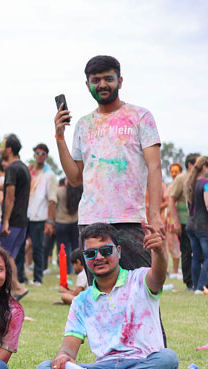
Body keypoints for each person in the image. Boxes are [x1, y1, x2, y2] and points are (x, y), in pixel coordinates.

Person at [36, 222, 178, 369]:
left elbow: (158, 276)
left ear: (118, 251)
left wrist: (159, 251)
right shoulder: (81, 301)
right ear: (85, 257)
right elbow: (68, 349)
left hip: (143, 366)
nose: (99, 257)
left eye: (106, 250)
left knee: (167, 359)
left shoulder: (140, 279)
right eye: (91, 253)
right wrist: (63, 357)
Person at [55, 55, 163, 272]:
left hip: (131, 220)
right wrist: (59, 138)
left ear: (119, 81)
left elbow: (154, 167)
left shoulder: (141, 117)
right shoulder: (84, 125)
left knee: (139, 292)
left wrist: (155, 216)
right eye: (95, 80)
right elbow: (75, 178)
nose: (102, 84)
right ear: (88, 85)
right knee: (99, 297)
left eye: (108, 79)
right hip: (91, 222)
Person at [0, 134, 30, 300]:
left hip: (12, 221)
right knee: (8, 257)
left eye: (2, 146)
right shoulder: (23, 167)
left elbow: (10, 196)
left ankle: (17, 288)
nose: (0, 150)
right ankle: (16, 288)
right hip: (22, 221)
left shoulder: (12, 169)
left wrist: (5, 221)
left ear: (8, 150)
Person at [17, 143, 57, 286]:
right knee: (20, 246)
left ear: (46, 156)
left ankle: (38, 278)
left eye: (43, 153)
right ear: (34, 154)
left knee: (38, 248)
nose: (40, 156)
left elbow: (52, 200)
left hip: (40, 217)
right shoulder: (27, 172)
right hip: (24, 215)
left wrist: (50, 221)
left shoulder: (50, 175)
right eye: (37, 153)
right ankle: (20, 277)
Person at [167, 153, 198, 291]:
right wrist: (176, 221)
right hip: (184, 222)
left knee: (197, 252)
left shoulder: (198, 178)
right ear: (190, 165)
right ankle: (189, 283)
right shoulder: (181, 178)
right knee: (186, 251)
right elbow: (171, 200)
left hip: (197, 222)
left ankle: (199, 281)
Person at [185, 156, 208, 293]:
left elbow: (189, 207)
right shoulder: (206, 183)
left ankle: (196, 286)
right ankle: (201, 287)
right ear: (205, 167)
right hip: (204, 226)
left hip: (191, 224)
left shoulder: (190, 182)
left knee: (196, 256)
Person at [55, 178, 82, 273]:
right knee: (77, 247)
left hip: (61, 222)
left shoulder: (59, 191)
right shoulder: (79, 192)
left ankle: (66, 270)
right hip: (75, 222)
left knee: (63, 248)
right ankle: (78, 269)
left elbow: (54, 204)